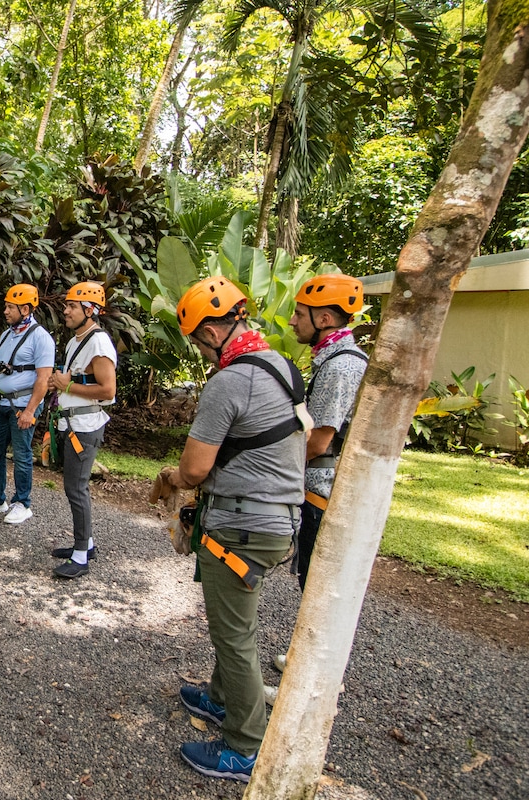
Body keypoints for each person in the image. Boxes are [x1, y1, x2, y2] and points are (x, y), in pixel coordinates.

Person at [153, 276, 306, 782]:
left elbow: (194, 468)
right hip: (278, 518)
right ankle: (220, 699)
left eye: (197, 340)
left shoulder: (228, 381)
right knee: (236, 623)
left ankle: (245, 745)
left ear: (213, 330)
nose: (198, 350)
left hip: (242, 523)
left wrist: (171, 480)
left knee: (234, 635)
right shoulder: (281, 366)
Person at [273, 274, 368, 674]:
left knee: (315, 586)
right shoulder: (332, 360)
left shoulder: (340, 367)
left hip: (322, 491)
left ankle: (308, 675)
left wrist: (277, 475)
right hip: (320, 488)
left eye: (299, 314)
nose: (293, 322)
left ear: (325, 318)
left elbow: (318, 440)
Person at [47, 282, 117, 578]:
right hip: (72, 421)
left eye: (72, 306)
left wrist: (67, 385)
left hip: (85, 425)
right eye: (67, 305)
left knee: (76, 488)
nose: (66, 310)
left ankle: (80, 555)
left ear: (91, 310)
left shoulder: (98, 343)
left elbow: (108, 390)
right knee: (74, 486)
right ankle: (85, 544)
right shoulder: (77, 340)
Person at [0, 284, 55, 524]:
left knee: (21, 454)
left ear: (26, 309)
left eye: (10, 307)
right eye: (6, 306)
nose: (5, 311)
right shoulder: (7, 334)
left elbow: (43, 378)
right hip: (2, 403)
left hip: (23, 405)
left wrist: (30, 411)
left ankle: (22, 503)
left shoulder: (41, 338)